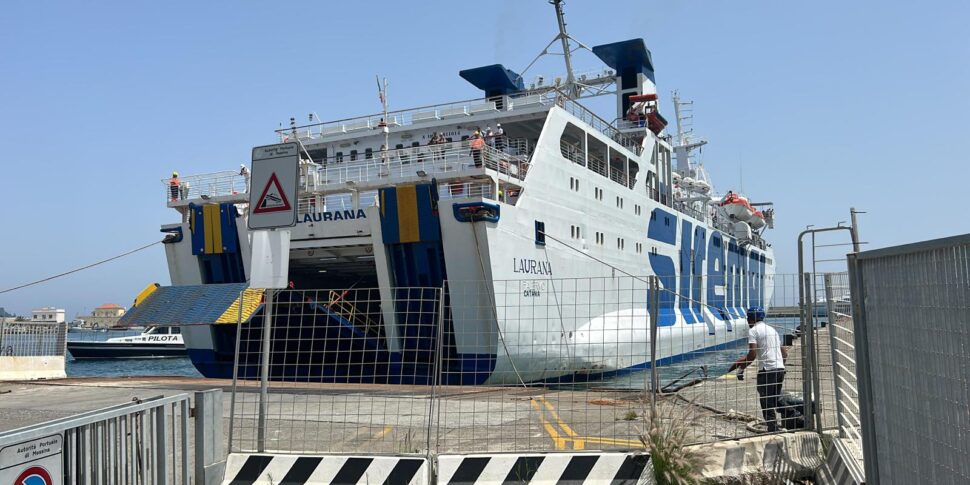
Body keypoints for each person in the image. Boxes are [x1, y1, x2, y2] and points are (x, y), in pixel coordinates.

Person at [728, 306, 788, 432]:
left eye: (748, 318)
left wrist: (741, 369)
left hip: (766, 370)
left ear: (750, 319)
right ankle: (796, 417)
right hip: (779, 369)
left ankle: (773, 429)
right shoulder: (772, 330)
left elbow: (752, 354)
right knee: (775, 398)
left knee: (766, 401)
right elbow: (784, 353)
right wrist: (780, 366)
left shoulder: (753, 331)